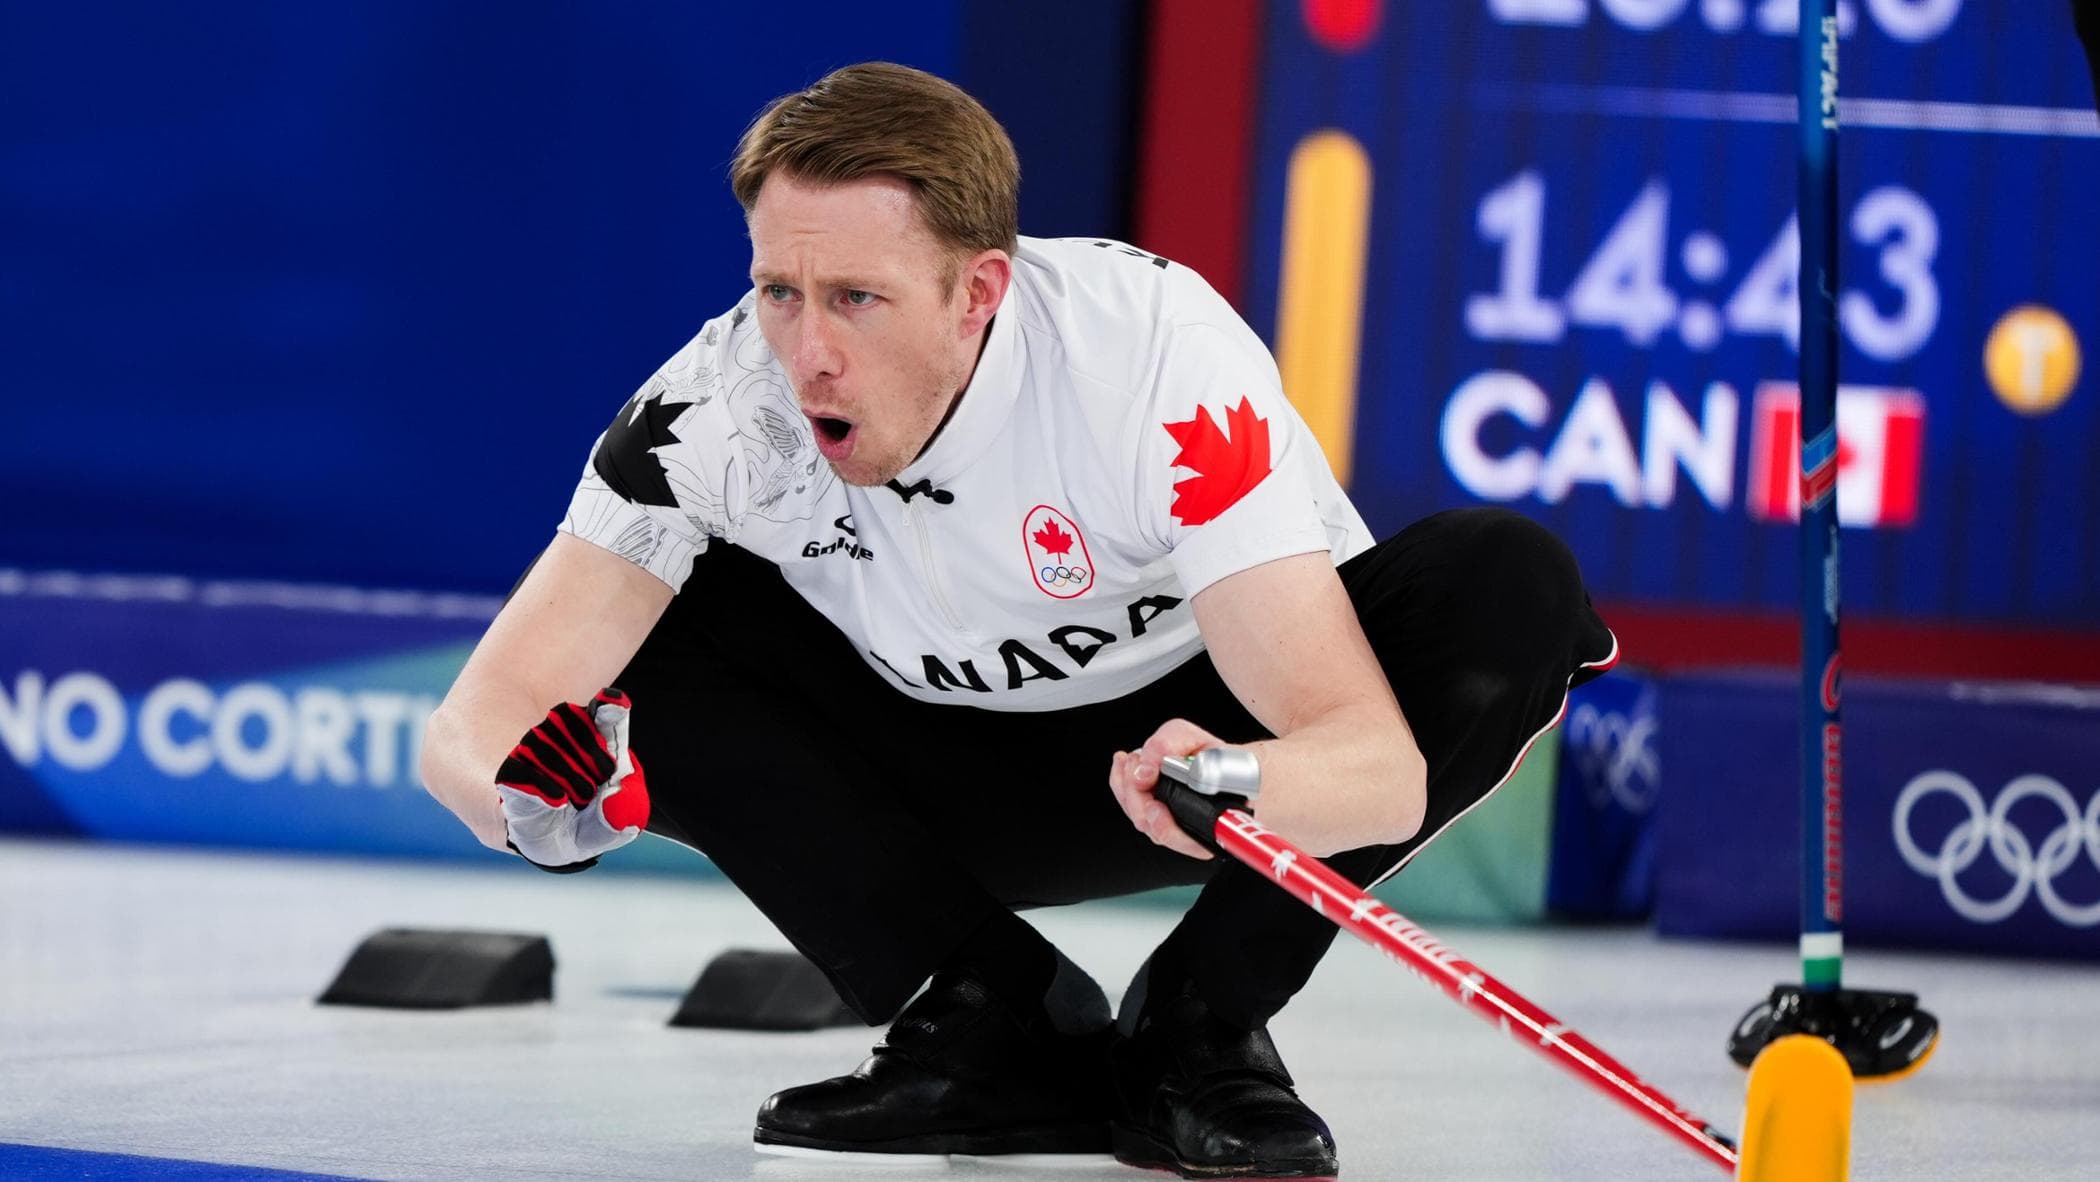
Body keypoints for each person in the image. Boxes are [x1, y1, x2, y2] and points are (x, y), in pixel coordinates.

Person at [420, 61, 1616, 1179]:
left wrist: (1243, 777)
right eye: (779, 292)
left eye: (856, 299)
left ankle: (1198, 1033)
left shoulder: (1153, 360)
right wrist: (534, 812)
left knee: (1507, 580)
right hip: (927, 786)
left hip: (1192, 753)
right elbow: (471, 729)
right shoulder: (715, 413)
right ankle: (990, 1022)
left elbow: (1378, 776)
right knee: (647, 642)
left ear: (978, 293)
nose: (806, 354)